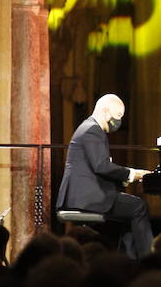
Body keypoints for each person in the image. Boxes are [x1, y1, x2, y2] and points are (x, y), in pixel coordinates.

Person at [56, 94, 153, 258]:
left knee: (131, 209)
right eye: (118, 116)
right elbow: (101, 166)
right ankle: (149, 259)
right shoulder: (93, 130)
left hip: (85, 195)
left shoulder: (89, 127)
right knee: (139, 207)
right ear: (105, 110)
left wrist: (127, 175)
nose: (118, 122)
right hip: (86, 198)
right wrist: (133, 174)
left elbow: (99, 166)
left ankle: (129, 258)